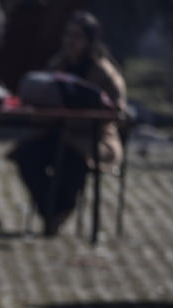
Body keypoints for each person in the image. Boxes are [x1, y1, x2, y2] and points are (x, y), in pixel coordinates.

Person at [8, 10, 126, 236]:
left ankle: (59, 210)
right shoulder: (57, 64)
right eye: (68, 36)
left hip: (92, 138)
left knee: (73, 163)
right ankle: (49, 210)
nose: (70, 42)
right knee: (27, 156)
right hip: (54, 132)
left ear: (89, 41)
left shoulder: (104, 72)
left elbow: (118, 112)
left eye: (77, 37)